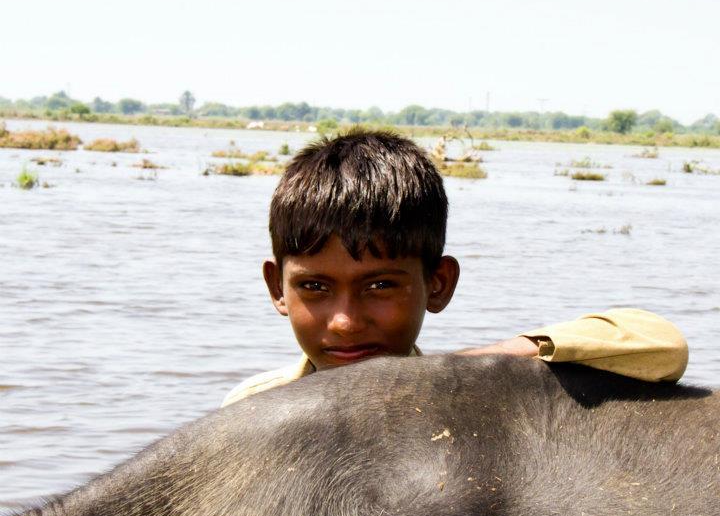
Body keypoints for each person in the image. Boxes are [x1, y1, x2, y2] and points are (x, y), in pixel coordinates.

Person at [222, 129, 687, 407]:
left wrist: (481, 363)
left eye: (381, 285)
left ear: (438, 283)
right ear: (276, 288)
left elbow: (662, 345)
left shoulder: (466, 393)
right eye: (315, 286)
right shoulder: (253, 407)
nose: (345, 321)